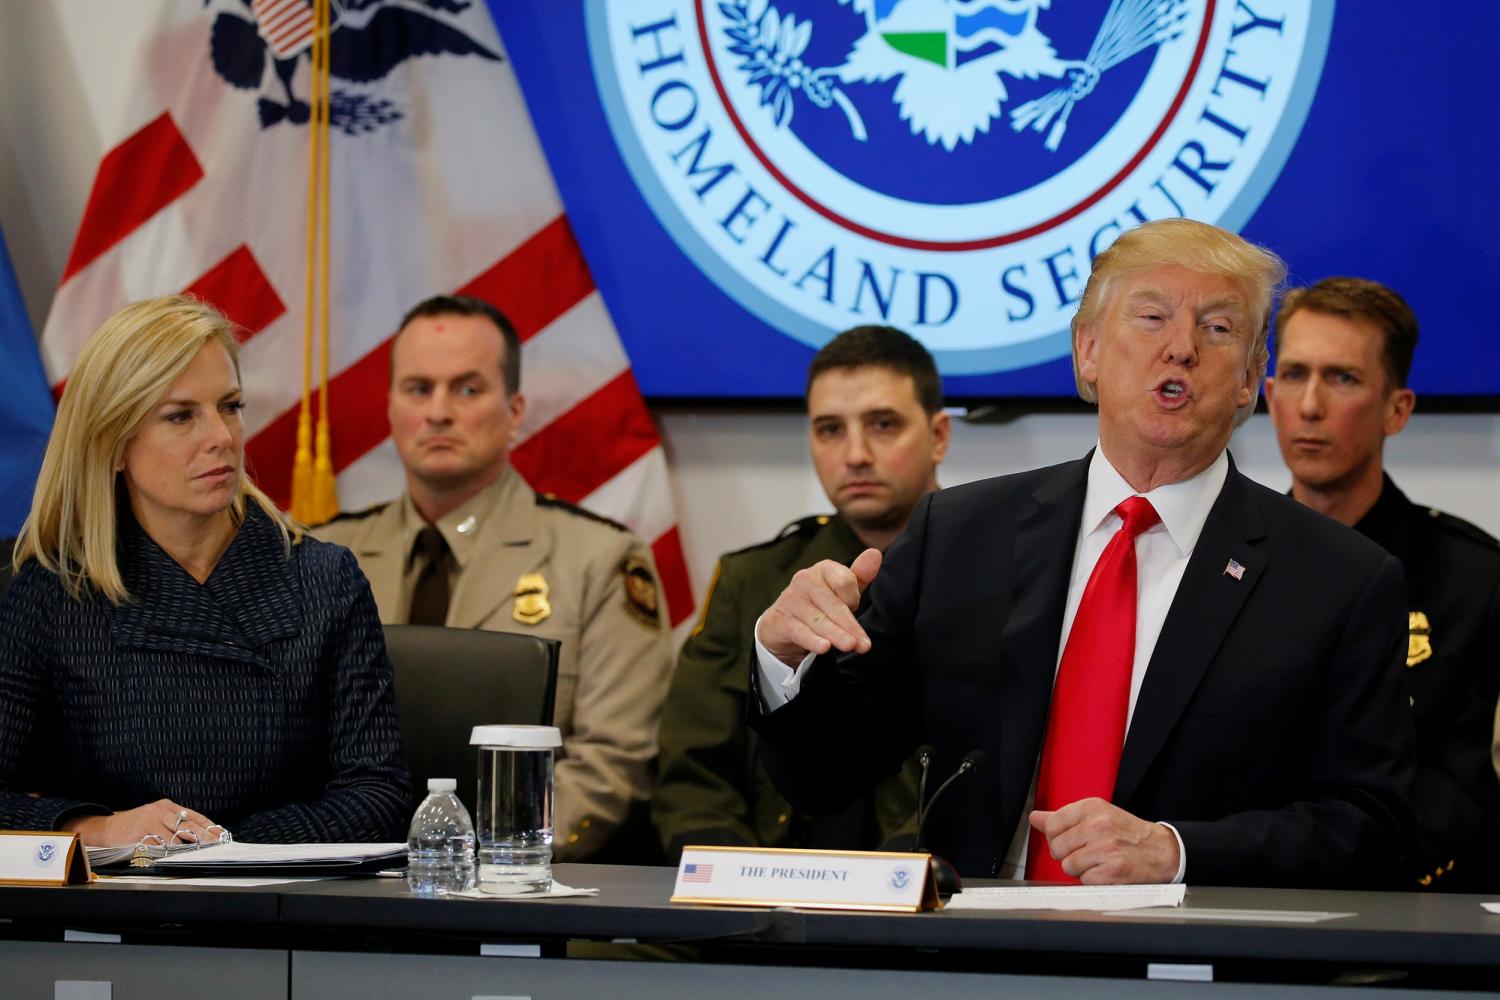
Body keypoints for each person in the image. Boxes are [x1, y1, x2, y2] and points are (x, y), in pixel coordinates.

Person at [750, 219, 1416, 888]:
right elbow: (825, 776)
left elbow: (1372, 826)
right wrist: (783, 660)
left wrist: (1178, 853)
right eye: (1152, 317)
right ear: (1088, 352)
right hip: (974, 954)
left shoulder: (1339, 580)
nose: (1180, 348)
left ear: (1249, 378)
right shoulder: (960, 534)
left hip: (1190, 965)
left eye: (1218, 328)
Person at [0, 296, 409, 846]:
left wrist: (220, 848)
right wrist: (100, 829)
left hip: (284, 910)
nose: (221, 436)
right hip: (112, 916)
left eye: (231, 406)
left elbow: (378, 793)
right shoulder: (56, 591)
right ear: (114, 445)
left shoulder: (323, 579)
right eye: (180, 416)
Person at [317, 295, 673, 861]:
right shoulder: (326, 556)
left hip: (519, 889)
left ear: (514, 411)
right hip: (346, 879)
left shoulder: (598, 559)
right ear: (389, 409)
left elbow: (613, 763)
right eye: (417, 389)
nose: (438, 411)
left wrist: (487, 861)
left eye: (467, 389)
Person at [653, 326, 945, 862]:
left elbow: (994, 773)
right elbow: (693, 772)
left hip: (928, 903)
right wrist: (733, 882)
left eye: (883, 425)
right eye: (830, 430)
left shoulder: (996, 574)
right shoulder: (753, 582)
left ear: (939, 436)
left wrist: (904, 881)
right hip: (752, 904)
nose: (855, 454)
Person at [1265, 276, 1500, 892]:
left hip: (1399, 911)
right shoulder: (1216, 561)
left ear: (1397, 409)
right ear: (1267, 392)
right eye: (1293, 375)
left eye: (1342, 378)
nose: (1310, 406)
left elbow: (1465, 792)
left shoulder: (1475, 579)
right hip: (1235, 897)